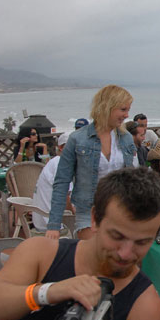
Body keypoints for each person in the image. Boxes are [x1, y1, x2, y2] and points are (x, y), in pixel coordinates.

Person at [0, 167, 160, 320]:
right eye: (116, 236)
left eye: (142, 242)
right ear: (94, 219)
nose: (126, 253)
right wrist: (48, 291)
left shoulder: (146, 307)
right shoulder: (41, 254)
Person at [48, 85, 137, 240]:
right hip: (89, 212)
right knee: (98, 252)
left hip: (122, 210)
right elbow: (61, 182)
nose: (127, 115)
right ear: (108, 107)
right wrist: (54, 225)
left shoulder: (126, 138)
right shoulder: (77, 139)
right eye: (123, 109)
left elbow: (133, 180)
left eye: (128, 110)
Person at [32, 133, 72, 232]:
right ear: (62, 148)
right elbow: (65, 198)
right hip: (53, 225)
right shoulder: (61, 164)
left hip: (40, 221)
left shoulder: (54, 162)